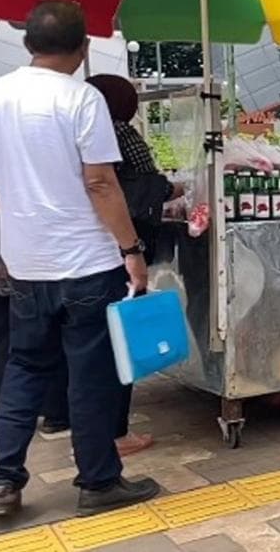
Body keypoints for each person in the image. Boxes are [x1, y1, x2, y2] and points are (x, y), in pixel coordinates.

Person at [0, 0, 160, 517]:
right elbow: (100, 182)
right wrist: (132, 250)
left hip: (25, 263)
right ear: (84, 47)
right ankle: (98, 482)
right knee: (90, 372)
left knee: (25, 365)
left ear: (27, 44)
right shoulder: (83, 99)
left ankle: (3, 480)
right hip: (87, 262)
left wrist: (15, 210)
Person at [0, 83, 70, 438]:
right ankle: (55, 413)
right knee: (48, 337)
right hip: (30, 260)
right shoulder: (26, 155)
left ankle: (2, 416)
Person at [85, 73, 185, 456]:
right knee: (118, 336)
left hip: (78, 248)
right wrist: (133, 248)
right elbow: (143, 185)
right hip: (117, 243)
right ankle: (115, 433)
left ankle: (78, 422)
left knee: (86, 343)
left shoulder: (75, 129)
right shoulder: (118, 132)